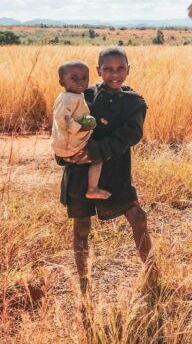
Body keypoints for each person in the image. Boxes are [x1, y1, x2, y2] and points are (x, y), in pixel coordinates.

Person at [56, 46, 155, 294]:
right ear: (98, 70)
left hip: (116, 172)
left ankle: (153, 276)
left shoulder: (134, 103)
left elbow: (130, 135)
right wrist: (64, 157)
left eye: (120, 68)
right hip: (79, 173)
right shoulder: (82, 95)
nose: (115, 74)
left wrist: (95, 151)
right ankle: (84, 284)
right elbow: (61, 127)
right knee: (81, 229)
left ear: (128, 70)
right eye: (108, 69)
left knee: (138, 218)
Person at [51, 61, 109, 200]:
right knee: (98, 158)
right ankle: (92, 189)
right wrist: (81, 127)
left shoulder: (73, 95)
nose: (80, 82)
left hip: (66, 143)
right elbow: (62, 119)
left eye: (84, 78)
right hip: (72, 145)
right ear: (62, 82)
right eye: (74, 78)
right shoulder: (69, 99)